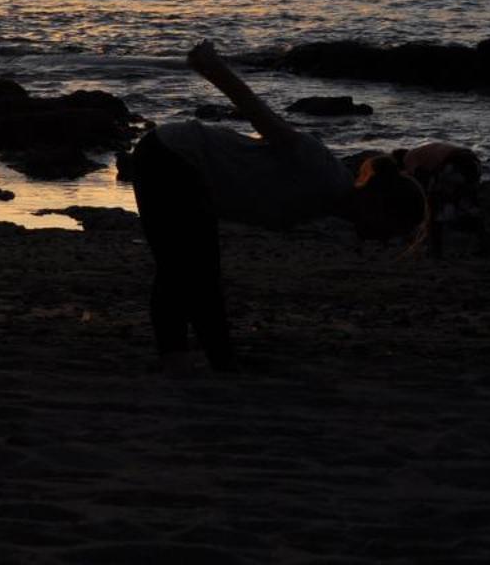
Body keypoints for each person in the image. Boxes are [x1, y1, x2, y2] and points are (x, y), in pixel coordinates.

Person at [131, 41, 428, 374]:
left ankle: (195, 358)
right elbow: (265, 121)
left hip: (182, 164)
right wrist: (212, 68)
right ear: (380, 204)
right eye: (390, 230)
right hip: (175, 156)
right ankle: (205, 361)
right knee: (190, 266)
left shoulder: (328, 200)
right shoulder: (322, 171)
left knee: (185, 265)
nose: (384, 240)